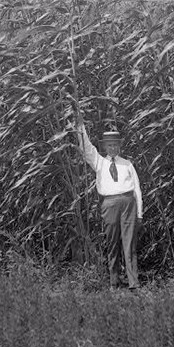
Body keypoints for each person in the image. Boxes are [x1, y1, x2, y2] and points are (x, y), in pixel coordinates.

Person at [74, 113, 143, 290]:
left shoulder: (127, 164)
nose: (113, 148)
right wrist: (80, 126)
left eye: (115, 145)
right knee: (112, 242)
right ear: (105, 147)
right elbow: (86, 147)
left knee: (129, 244)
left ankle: (133, 283)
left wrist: (140, 213)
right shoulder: (99, 163)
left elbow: (137, 189)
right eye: (109, 145)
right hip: (109, 204)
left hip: (128, 204)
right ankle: (114, 281)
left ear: (119, 147)